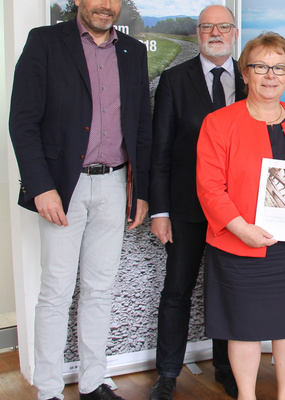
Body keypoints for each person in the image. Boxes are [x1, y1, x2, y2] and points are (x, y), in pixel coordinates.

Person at [8, 0, 152, 399]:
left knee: (100, 289)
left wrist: (141, 190)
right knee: (55, 291)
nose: (105, 5)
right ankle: (50, 389)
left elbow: (141, 125)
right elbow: (22, 120)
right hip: (62, 188)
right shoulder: (45, 42)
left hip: (115, 184)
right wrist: (41, 186)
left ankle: (94, 380)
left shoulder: (132, 51)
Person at [196, 32, 285, 400]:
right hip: (241, 246)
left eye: (279, 68)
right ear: (245, 73)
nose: (271, 75)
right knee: (244, 327)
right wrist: (241, 229)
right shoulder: (219, 123)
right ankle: (247, 395)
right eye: (261, 67)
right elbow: (209, 187)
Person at [148, 5, 244, 400]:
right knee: (177, 290)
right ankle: (168, 373)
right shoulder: (173, 80)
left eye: (224, 26)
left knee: (229, 290)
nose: (216, 33)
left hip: (237, 212)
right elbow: (161, 152)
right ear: (198, 34)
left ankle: (227, 367)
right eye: (208, 27)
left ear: (235, 33)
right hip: (187, 208)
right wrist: (160, 210)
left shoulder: (252, 77)